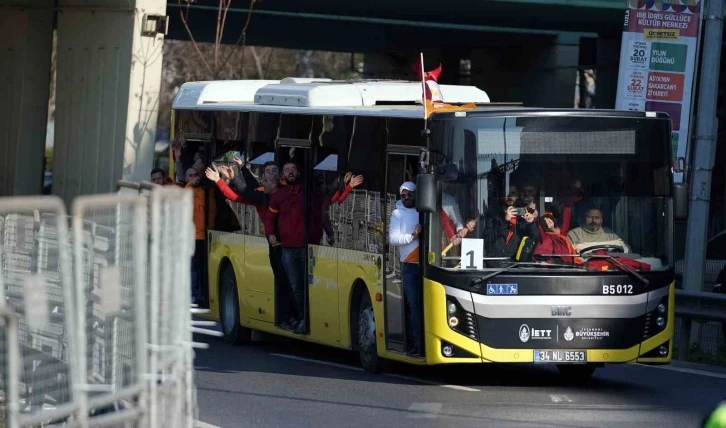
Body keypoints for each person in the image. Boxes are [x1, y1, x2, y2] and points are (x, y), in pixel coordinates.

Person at [264, 161, 307, 334]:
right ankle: (301, 318)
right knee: (295, 286)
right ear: (283, 174)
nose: (290, 172)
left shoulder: (306, 192)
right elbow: (269, 219)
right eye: (287, 169)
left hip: (306, 248)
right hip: (287, 248)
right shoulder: (277, 196)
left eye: (293, 169)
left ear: (298, 173)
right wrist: (270, 234)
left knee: (307, 286)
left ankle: (305, 319)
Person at [388, 181, 423, 355]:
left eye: (410, 194)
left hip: (429, 265)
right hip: (410, 265)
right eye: (403, 195)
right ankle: (416, 344)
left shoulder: (424, 210)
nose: (407, 198)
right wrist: (412, 236)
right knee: (414, 306)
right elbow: (393, 238)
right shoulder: (397, 213)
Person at [186, 167, 216, 305]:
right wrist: (191, 183)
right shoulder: (186, 191)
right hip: (192, 236)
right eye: (190, 175)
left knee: (203, 267)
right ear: (186, 179)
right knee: (193, 267)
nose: (193, 177)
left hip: (206, 236)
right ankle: (192, 294)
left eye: (195, 175)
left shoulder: (205, 191)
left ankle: (202, 294)